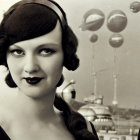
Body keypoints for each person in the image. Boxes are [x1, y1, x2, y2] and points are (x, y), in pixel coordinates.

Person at [0, 0, 99, 140]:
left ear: (66, 54)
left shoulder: (86, 129)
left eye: (45, 51)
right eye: (17, 52)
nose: (30, 67)